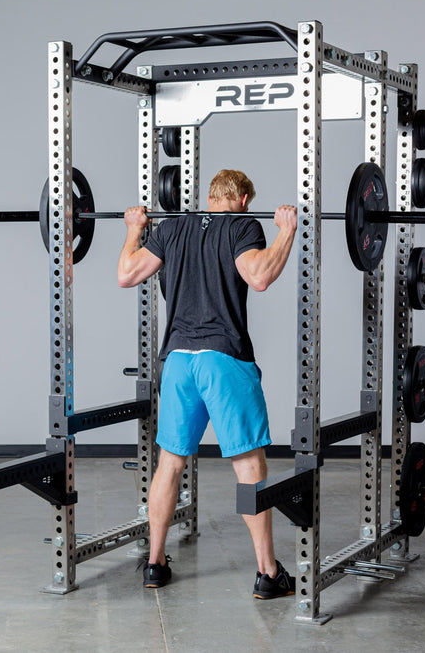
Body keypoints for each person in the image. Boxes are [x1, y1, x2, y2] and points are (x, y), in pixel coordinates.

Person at [117, 169, 298, 599]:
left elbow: (126, 273)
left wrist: (134, 229)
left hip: (178, 361)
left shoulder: (172, 228)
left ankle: (156, 564)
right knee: (249, 465)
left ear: (211, 197)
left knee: (170, 464)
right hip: (223, 360)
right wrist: (286, 232)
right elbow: (259, 275)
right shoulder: (242, 226)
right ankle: (268, 573)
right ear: (243, 198)